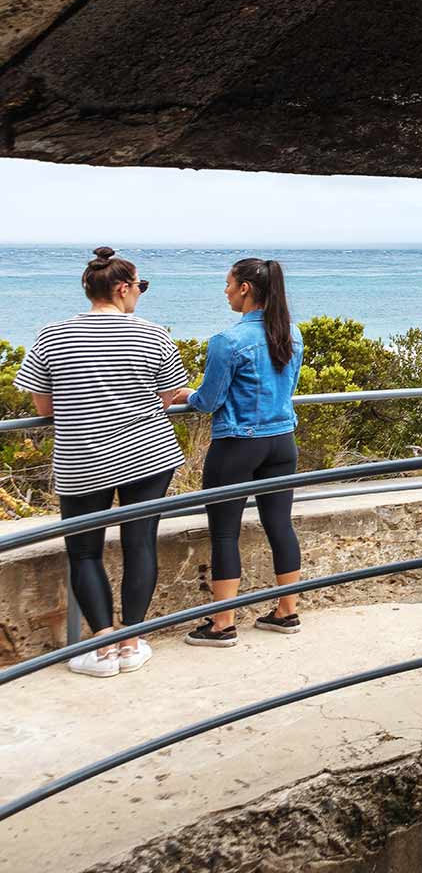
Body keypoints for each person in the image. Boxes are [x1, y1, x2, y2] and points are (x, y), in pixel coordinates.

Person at [13, 248, 192, 677]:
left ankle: (103, 648)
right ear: (122, 288)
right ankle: (132, 642)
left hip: (82, 457)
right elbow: (168, 396)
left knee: (84, 552)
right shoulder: (153, 334)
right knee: (140, 543)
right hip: (149, 454)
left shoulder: (51, 334)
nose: (140, 294)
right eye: (140, 286)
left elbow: (43, 406)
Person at [164, 258, 305, 646]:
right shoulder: (292, 334)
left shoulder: (228, 341)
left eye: (228, 284)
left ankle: (222, 623)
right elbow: (288, 386)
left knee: (225, 532)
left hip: (238, 445)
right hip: (282, 441)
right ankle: (287, 611)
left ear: (245, 288)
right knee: (280, 524)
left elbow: (209, 401)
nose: (225, 291)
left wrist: (187, 395)